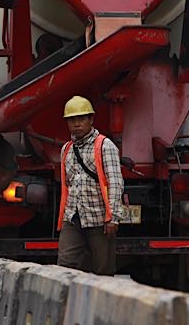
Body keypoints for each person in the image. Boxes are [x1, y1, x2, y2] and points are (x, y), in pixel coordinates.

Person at [56, 95, 125, 276]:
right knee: (64, 266)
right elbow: (67, 185)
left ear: (91, 120)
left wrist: (113, 218)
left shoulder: (104, 146)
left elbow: (115, 183)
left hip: (99, 219)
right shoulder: (66, 149)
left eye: (81, 119)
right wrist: (64, 217)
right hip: (73, 217)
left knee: (103, 270)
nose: (77, 124)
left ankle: (104, 305)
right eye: (72, 120)